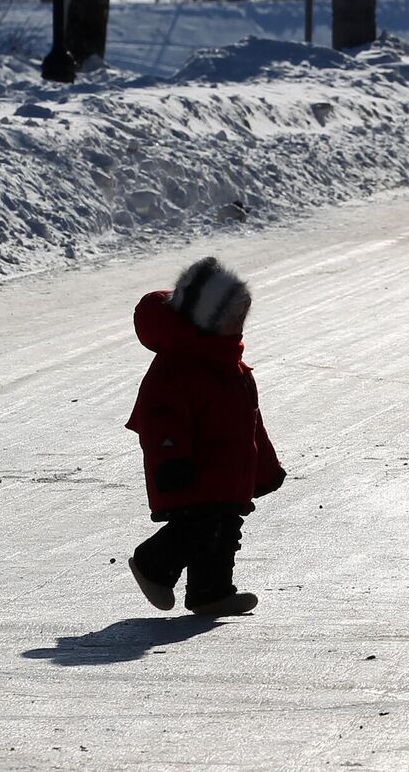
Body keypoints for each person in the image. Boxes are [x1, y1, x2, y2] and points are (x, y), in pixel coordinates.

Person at [126, 257, 285, 616]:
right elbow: (161, 419)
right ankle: (153, 564)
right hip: (192, 470)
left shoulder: (231, 363)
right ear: (207, 319)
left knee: (224, 532)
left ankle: (211, 592)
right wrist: (170, 459)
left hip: (227, 474)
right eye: (230, 316)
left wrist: (265, 468)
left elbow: (251, 424)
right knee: (198, 529)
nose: (238, 325)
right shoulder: (180, 366)